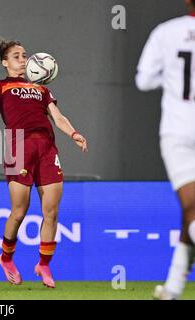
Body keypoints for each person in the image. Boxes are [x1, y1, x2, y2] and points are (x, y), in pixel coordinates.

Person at [0, 38, 88, 287]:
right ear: (5, 62)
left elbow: (58, 116)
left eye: (24, 55)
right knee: (19, 211)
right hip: (18, 148)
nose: (23, 59)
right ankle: (6, 258)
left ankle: (44, 265)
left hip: (47, 148)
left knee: (51, 210)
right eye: (16, 56)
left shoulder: (41, 87)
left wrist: (74, 133)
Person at [136, 0, 195, 300]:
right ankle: (172, 288)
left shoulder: (167, 32)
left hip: (178, 130)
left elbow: (144, 80)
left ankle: (172, 289)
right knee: (191, 213)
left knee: (191, 210)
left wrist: (171, 80)